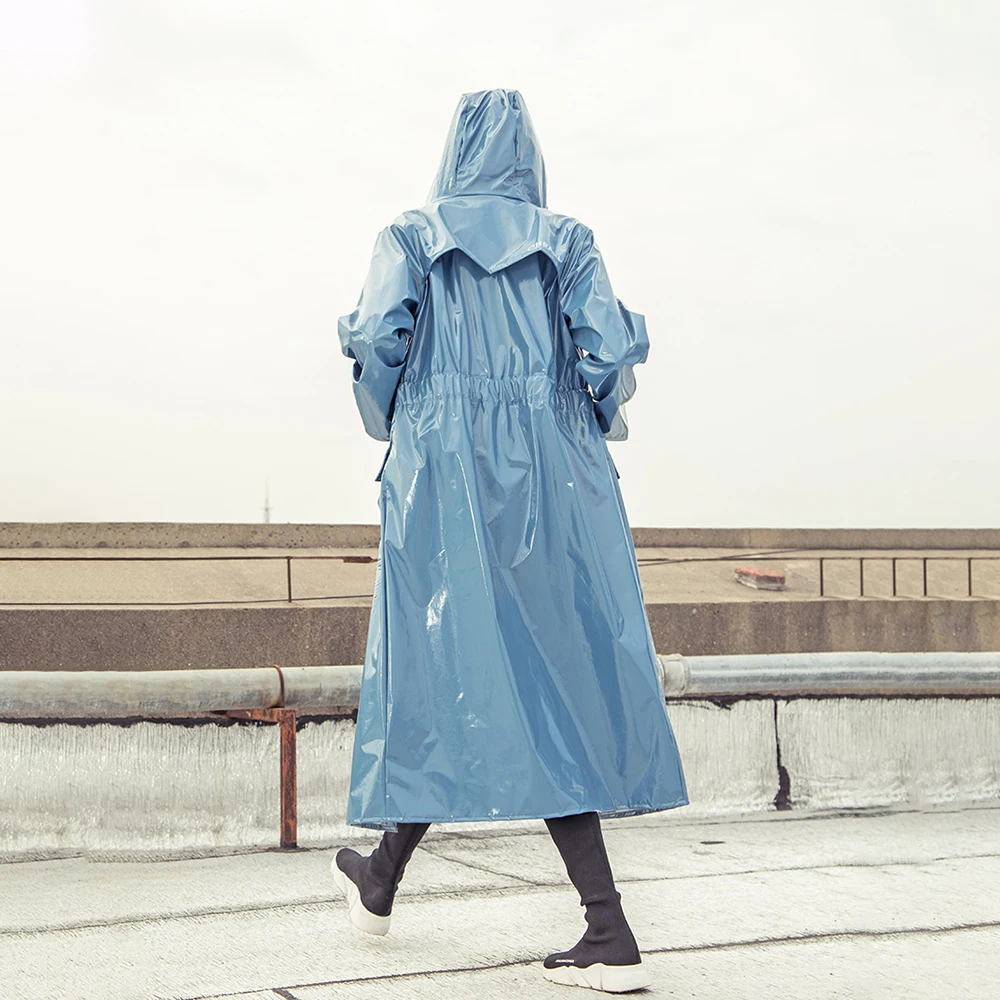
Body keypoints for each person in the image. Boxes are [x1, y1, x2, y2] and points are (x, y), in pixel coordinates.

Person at [333, 88, 687, 993]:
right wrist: (580, 420)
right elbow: (605, 353)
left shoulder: (410, 238)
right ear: (529, 152)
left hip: (442, 474)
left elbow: (377, 338)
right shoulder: (566, 241)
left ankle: (606, 930)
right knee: (550, 672)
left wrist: (397, 417)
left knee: (437, 665)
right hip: (554, 476)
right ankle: (379, 878)